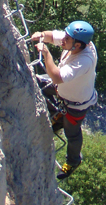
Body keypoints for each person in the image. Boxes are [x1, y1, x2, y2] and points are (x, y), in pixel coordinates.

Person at [31, 21, 98, 179]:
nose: (63, 39)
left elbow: (57, 76)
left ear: (78, 45)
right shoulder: (75, 41)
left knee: (72, 133)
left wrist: (46, 54)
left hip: (76, 104)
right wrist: (41, 35)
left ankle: (74, 160)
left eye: (67, 39)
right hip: (62, 91)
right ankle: (58, 117)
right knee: (36, 81)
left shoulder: (84, 61)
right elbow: (52, 35)